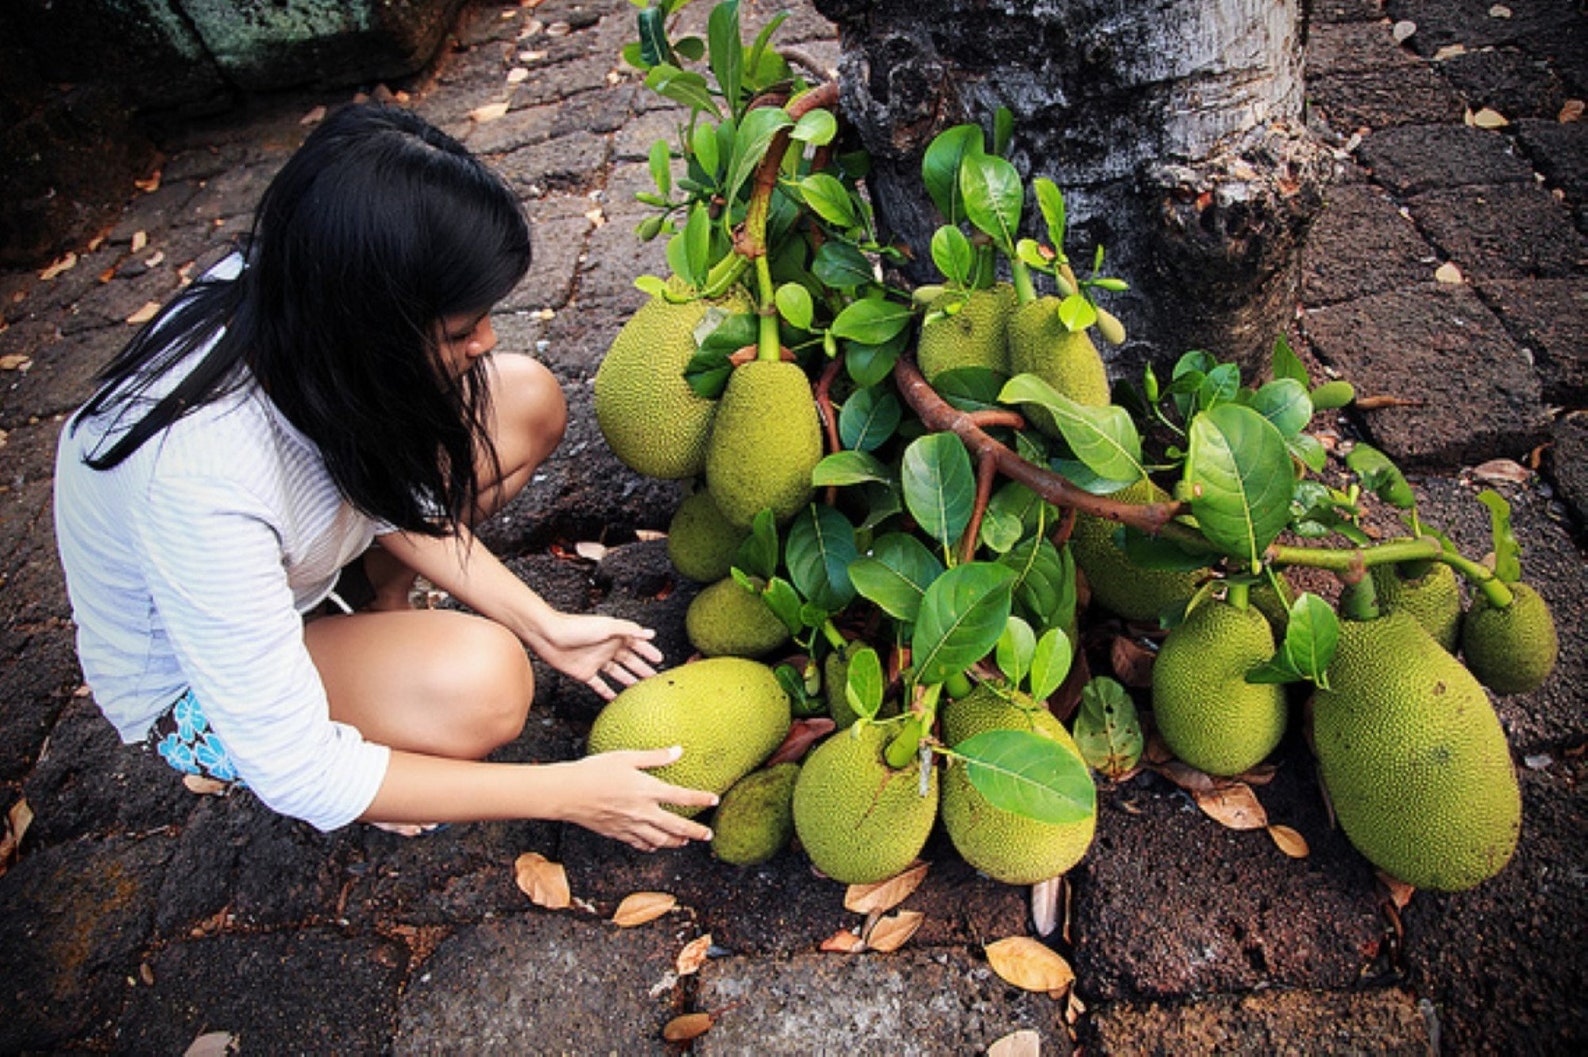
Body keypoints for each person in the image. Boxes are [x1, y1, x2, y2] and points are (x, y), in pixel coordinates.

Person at [52, 103, 717, 851]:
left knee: (524, 399)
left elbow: (369, 465)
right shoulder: (197, 478)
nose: (487, 340)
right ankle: (368, 695)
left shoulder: (299, 284)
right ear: (370, 330)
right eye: (461, 330)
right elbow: (295, 768)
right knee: (487, 682)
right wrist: (568, 793)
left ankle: (372, 608)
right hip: (194, 679)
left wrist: (546, 623)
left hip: (301, 555)